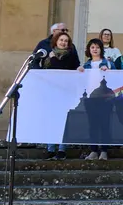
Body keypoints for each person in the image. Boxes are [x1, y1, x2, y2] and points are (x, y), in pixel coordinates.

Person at [43, 31, 80, 160]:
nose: (63, 43)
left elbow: (60, 68)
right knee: (51, 120)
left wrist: (53, 58)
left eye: (66, 41)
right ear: (56, 42)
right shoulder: (48, 55)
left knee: (64, 121)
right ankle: (50, 149)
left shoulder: (71, 55)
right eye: (61, 40)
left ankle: (61, 149)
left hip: (66, 92)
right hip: (52, 93)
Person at [77, 38, 114, 161]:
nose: (95, 49)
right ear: (89, 50)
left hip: (105, 99)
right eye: (92, 47)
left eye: (97, 47)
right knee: (92, 125)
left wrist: (109, 72)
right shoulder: (86, 65)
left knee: (105, 124)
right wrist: (79, 72)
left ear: (101, 49)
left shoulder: (108, 63)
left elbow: (116, 78)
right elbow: (81, 82)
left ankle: (104, 151)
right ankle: (93, 150)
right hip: (91, 99)